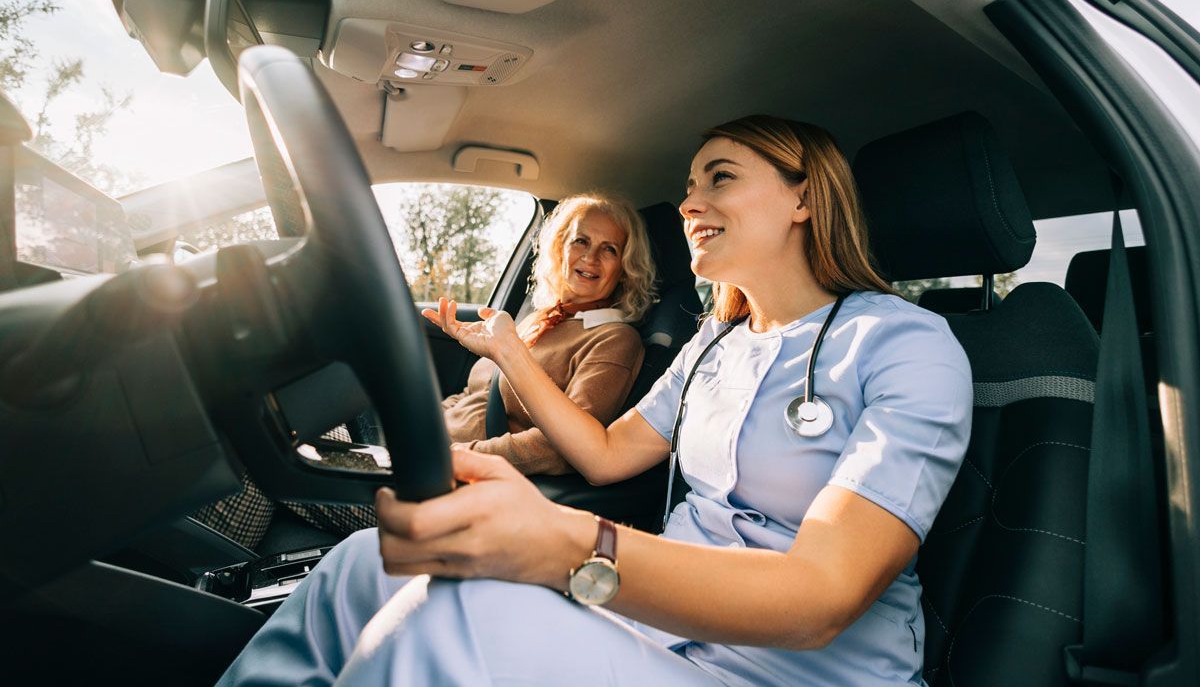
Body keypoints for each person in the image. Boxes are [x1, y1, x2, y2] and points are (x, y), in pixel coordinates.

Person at [218, 116, 973, 686]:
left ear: (804, 197)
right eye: (688, 186)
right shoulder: (715, 345)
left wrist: (567, 543)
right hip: (656, 630)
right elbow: (606, 455)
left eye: (719, 178)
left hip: (782, 673)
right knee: (362, 563)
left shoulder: (907, 347)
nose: (688, 203)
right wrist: (506, 359)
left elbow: (822, 597)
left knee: (445, 611)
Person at [195, 192, 655, 548]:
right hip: (416, 449)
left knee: (263, 454)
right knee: (266, 419)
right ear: (560, 248)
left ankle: (205, 584)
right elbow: (473, 401)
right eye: (580, 240)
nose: (590, 258)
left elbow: (565, 448)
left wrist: (459, 455)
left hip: (448, 481)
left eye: (608, 249)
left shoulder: (613, 339)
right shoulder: (535, 323)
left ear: (625, 267)